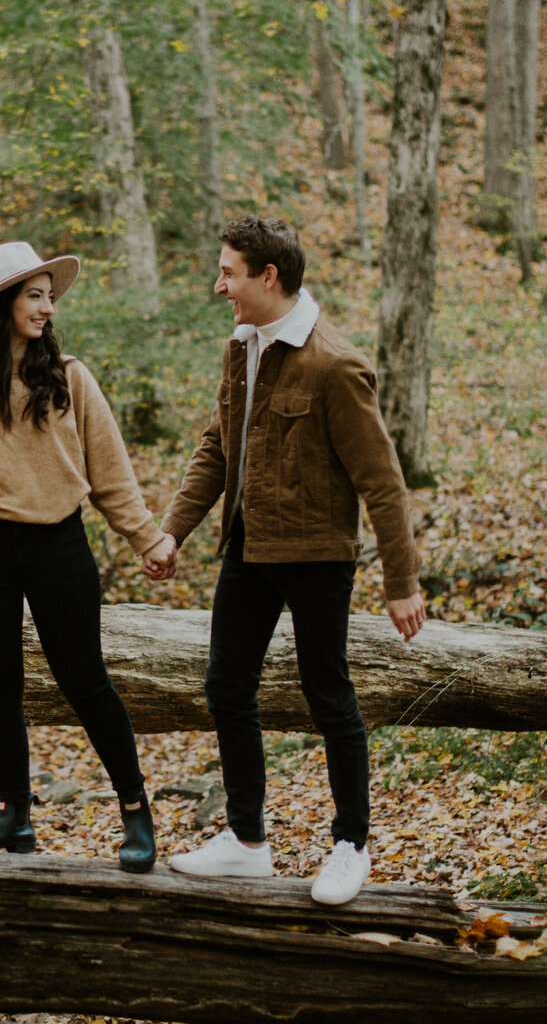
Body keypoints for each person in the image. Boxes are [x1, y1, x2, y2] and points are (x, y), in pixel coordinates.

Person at [144, 214, 425, 905]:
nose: (220, 286)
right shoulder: (242, 348)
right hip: (248, 545)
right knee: (225, 685)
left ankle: (351, 846)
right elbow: (217, 446)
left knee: (328, 696)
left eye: (229, 273)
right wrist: (174, 530)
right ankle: (245, 840)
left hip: (318, 555)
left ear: (269, 277)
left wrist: (401, 581)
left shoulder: (334, 363)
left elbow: (382, 480)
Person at [0, 239, 175, 872]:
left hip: (59, 543)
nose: (48, 308)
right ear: (3, 303)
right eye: (36, 296)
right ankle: (14, 816)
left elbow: (109, 471)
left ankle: (137, 814)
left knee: (86, 683)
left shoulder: (70, 376)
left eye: (50, 298)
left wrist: (146, 537)